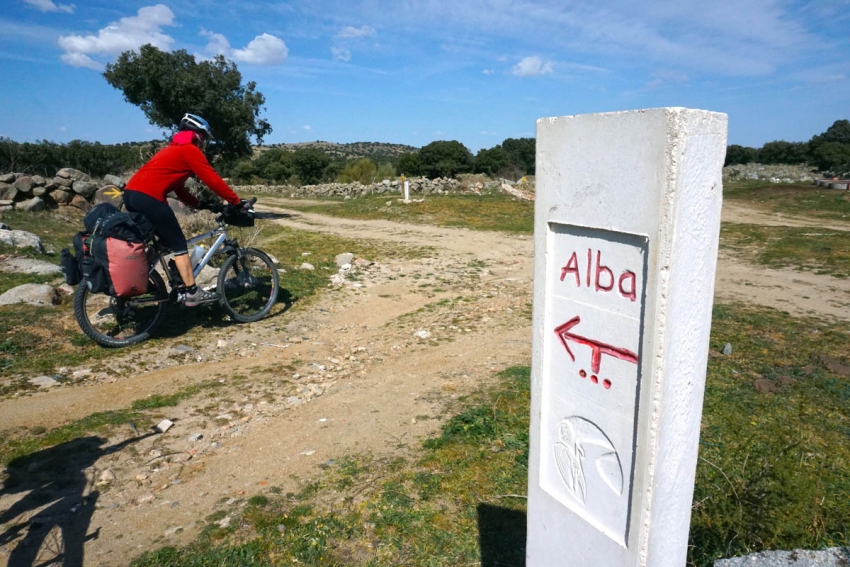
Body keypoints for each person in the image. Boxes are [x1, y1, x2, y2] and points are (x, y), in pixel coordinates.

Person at [124, 113, 245, 307]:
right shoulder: (190, 150)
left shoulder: (173, 150)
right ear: (198, 135)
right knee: (179, 243)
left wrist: (201, 205)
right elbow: (212, 179)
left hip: (131, 195)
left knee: (164, 242)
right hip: (148, 197)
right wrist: (236, 201)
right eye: (205, 138)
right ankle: (191, 292)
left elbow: (180, 190)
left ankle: (140, 276)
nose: (205, 142)